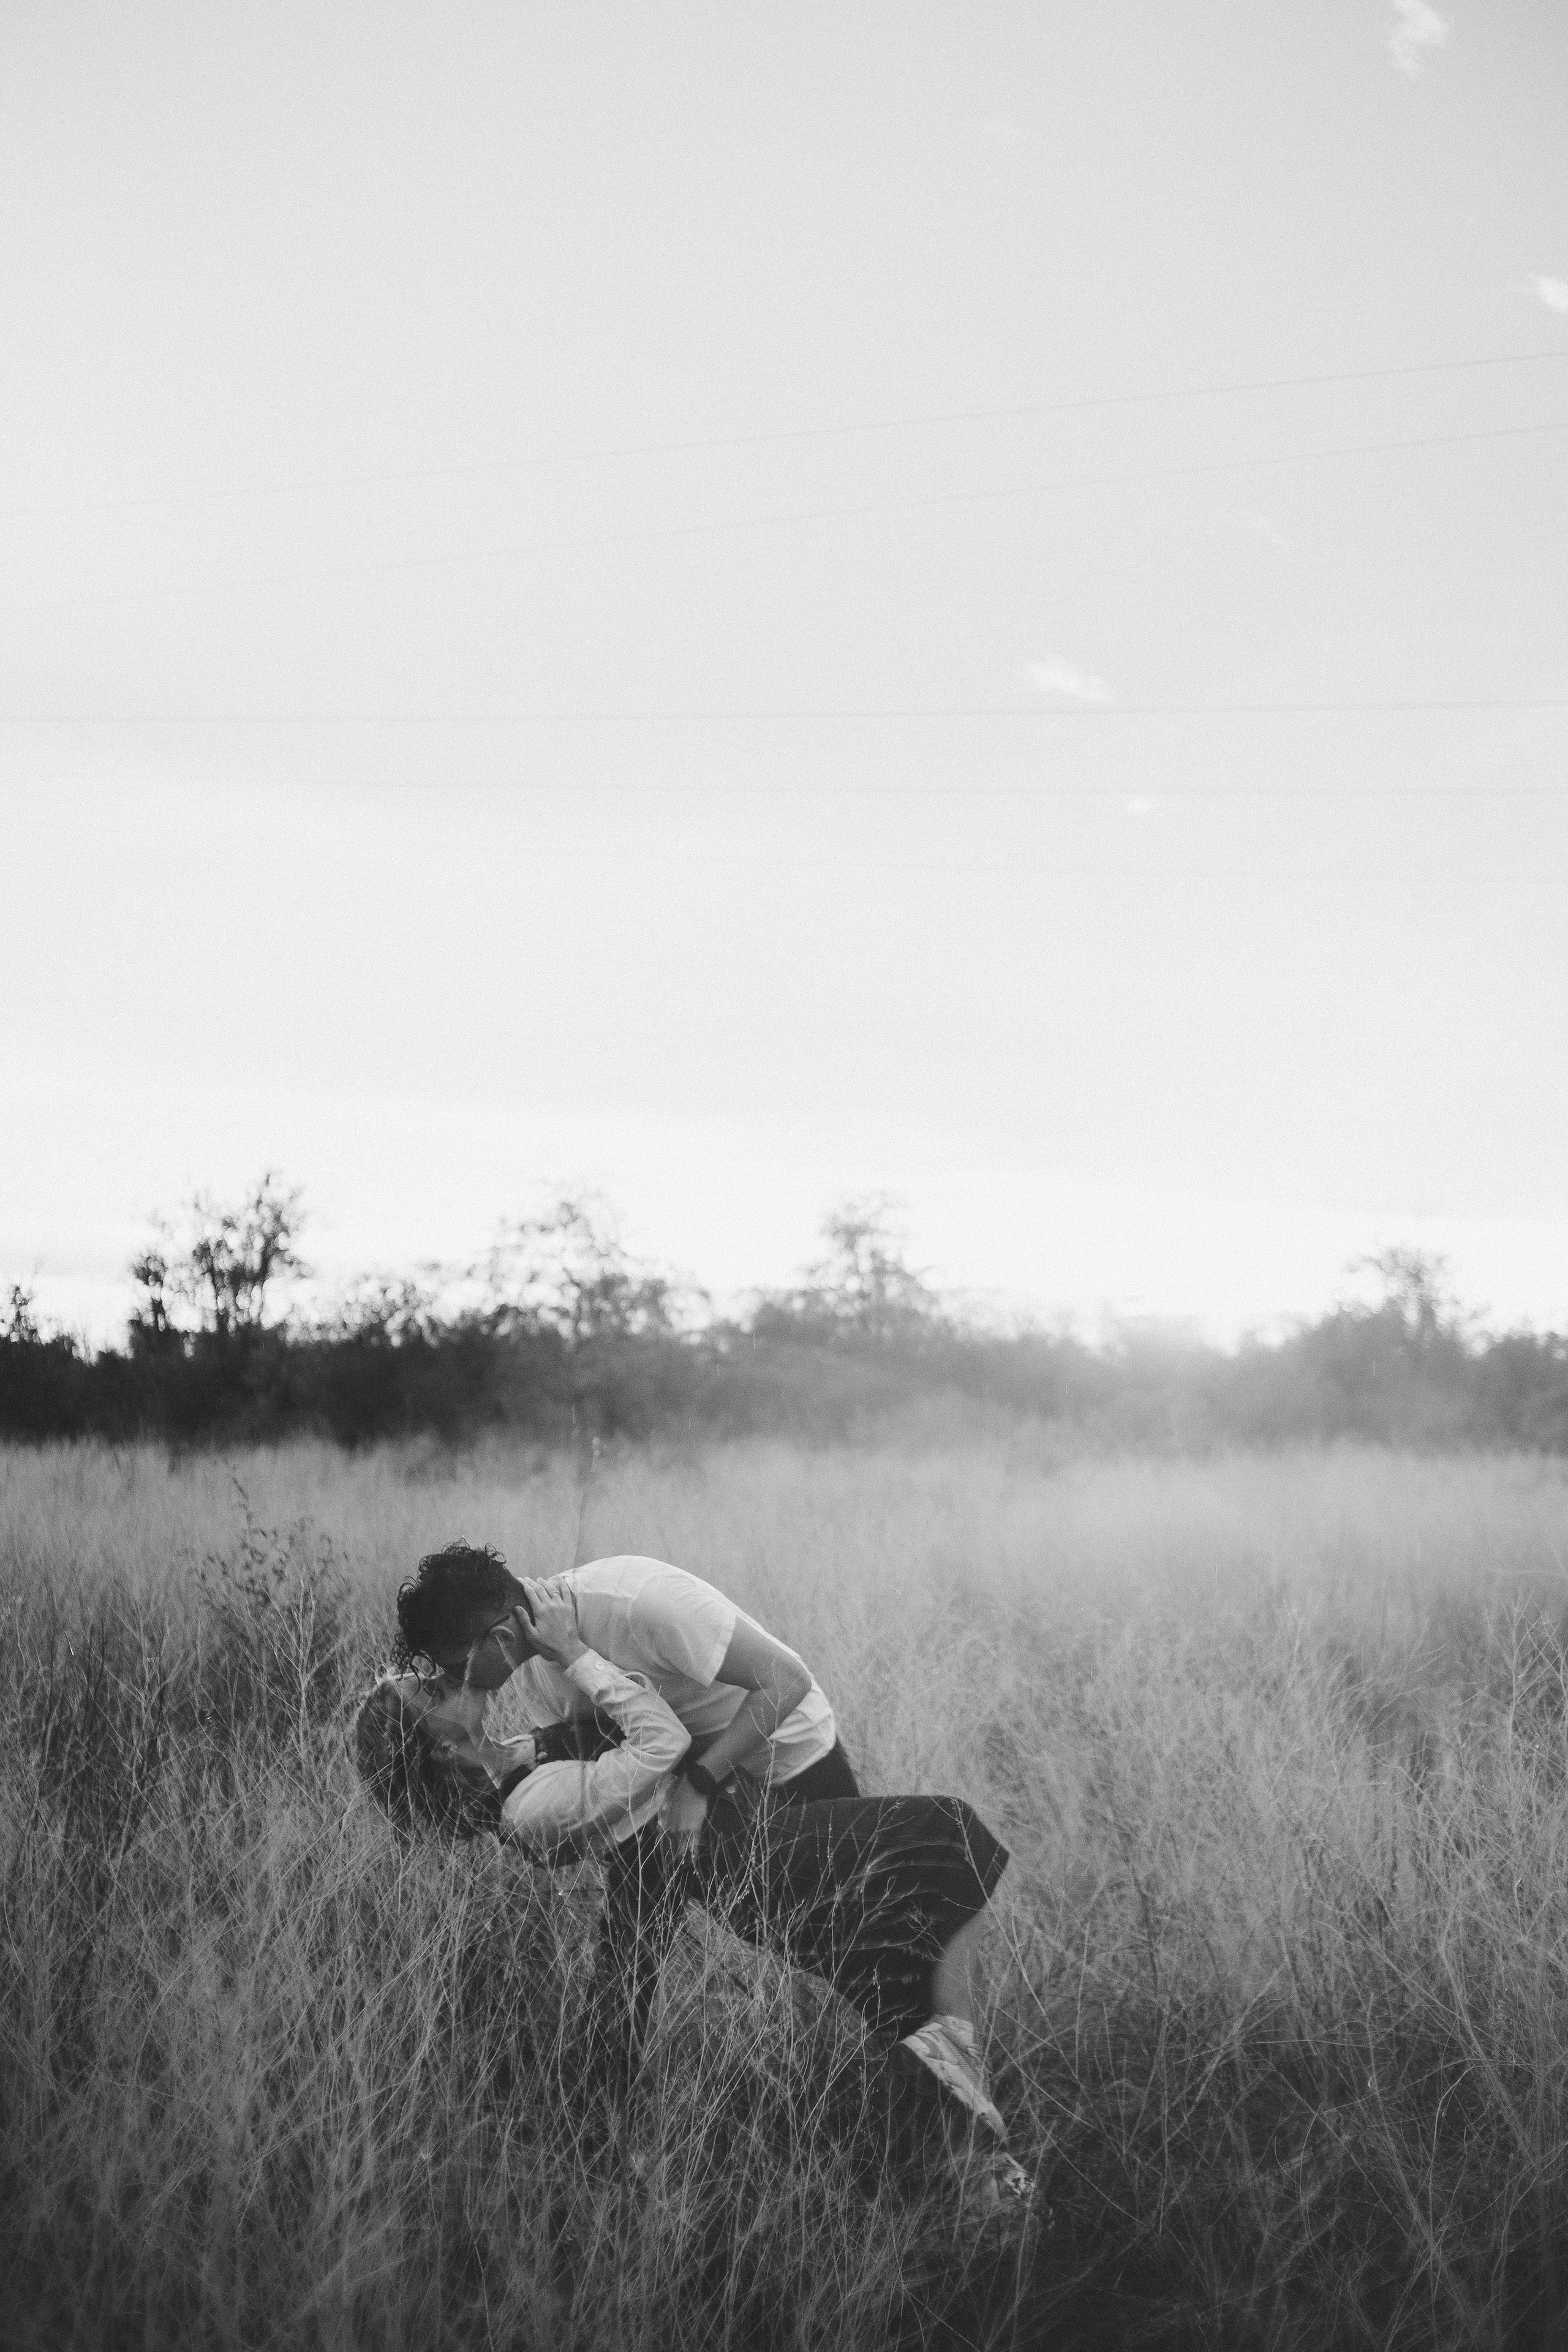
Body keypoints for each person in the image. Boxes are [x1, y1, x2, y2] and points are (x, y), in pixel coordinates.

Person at [356, 1572, 1030, 2221]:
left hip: (731, 1841)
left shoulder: (519, 1758)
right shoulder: (529, 1806)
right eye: (431, 1690)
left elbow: (617, 1764)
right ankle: (980, 2147)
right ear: (441, 1752)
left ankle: (978, 2183)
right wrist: (580, 1658)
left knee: (888, 1980)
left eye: (440, 1670)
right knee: (953, 1840)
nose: (442, 1678)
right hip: (736, 1857)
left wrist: (542, 1732)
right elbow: (658, 1747)